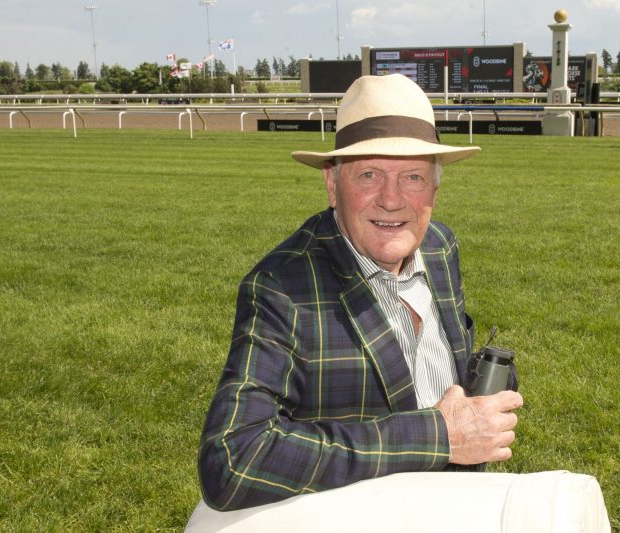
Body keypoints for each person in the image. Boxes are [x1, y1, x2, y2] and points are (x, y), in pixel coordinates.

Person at [197, 73, 525, 512]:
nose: (391, 200)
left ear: (435, 188)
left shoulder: (439, 246)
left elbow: (441, 365)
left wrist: (482, 391)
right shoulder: (282, 288)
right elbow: (233, 461)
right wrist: (439, 435)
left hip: (453, 505)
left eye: (412, 177)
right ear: (332, 185)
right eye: (369, 174)